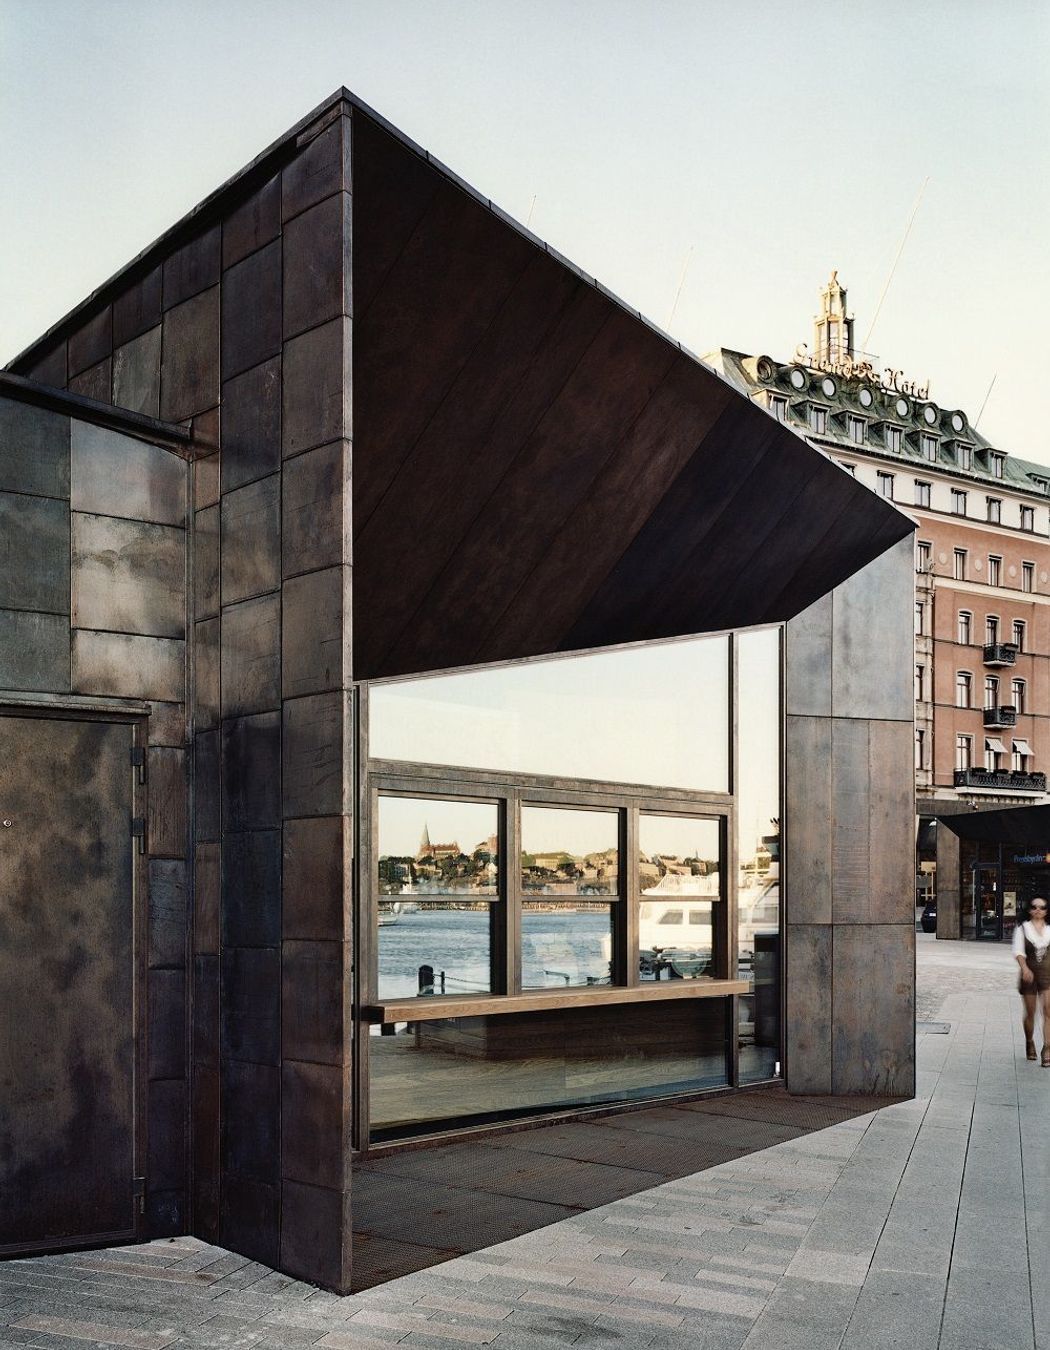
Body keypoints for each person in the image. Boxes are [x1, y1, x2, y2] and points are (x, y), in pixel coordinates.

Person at [1014, 896, 1050, 1064]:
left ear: (1046, 911)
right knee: (1031, 1013)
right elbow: (1019, 951)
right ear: (1029, 910)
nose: (1038, 910)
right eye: (1035, 907)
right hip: (1029, 975)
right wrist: (1025, 968)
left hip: (1047, 975)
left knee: (1048, 1012)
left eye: (1042, 907)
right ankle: (1029, 1042)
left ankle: (1047, 1048)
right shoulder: (1023, 929)